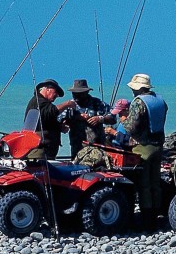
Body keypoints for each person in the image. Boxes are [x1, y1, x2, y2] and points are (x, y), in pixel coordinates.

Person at [122, 73, 168, 231]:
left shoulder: (138, 102)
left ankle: (147, 220)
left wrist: (123, 120)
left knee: (144, 184)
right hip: (159, 146)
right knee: (155, 182)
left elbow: (131, 128)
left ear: (139, 89)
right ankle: (156, 216)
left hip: (142, 147)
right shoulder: (160, 100)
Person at [60, 79, 116, 159]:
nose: (76, 96)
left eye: (79, 94)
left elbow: (113, 117)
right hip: (77, 148)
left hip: (97, 147)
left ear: (86, 92)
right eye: (74, 93)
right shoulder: (70, 105)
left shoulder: (97, 103)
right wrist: (74, 118)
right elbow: (59, 121)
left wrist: (100, 119)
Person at [25, 79, 75, 159]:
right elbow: (50, 111)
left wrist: (60, 127)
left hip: (48, 149)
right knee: (40, 168)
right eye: (56, 92)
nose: (57, 95)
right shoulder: (37, 101)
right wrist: (67, 104)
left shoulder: (44, 104)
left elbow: (45, 120)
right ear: (47, 89)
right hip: (39, 149)